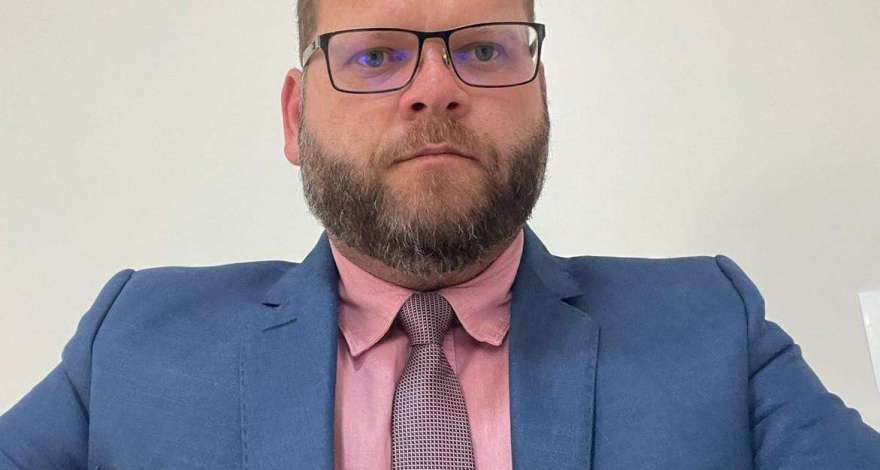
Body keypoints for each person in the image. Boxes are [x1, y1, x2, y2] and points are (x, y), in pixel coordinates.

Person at [2, 0, 879, 468]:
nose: (434, 89)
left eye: (486, 50)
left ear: (542, 98)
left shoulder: (712, 325)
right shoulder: (132, 344)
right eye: (376, 55)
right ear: (296, 116)